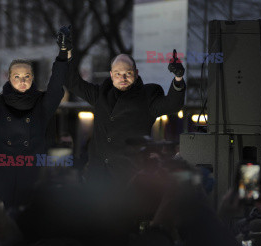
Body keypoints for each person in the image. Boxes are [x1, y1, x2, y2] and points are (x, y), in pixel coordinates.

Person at [0, 17, 70, 209]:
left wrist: (63, 53)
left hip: (33, 178)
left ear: (33, 78)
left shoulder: (43, 105)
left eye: (27, 76)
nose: (22, 80)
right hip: (3, 179)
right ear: (9, 78)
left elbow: (56, 84)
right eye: (17, 76)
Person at [67, 48, 186, 182]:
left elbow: (173, 104)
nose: (122, 78)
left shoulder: (147, 97)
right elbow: (73, 83)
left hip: (128, 178)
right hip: (97, 177)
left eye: (127, 73)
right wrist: (67, 52)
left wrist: (178, 78)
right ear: (111, 75)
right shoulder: (101, 94)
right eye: (118, 74)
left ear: (136, 73)